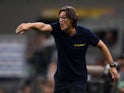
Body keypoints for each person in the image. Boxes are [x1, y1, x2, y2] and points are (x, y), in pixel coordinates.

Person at [16, 5, 118, 93]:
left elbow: (102, 46)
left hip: (78, 80)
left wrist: (112, 66)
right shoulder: (57, 29)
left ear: (72, 20)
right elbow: (43, 27)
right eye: (60, 18)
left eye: (64, 17)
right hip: (61, 80)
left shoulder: (85, 33)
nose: (60, 20)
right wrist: (29, 25)